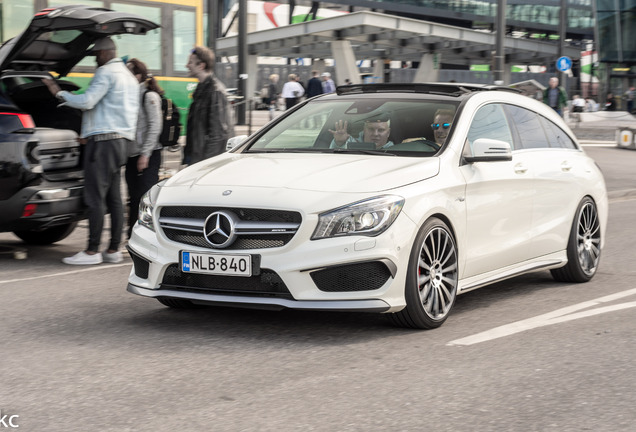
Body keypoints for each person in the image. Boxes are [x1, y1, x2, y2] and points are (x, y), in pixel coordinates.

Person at [42, 37, 138, 265]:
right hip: (120, 143)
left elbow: (87, 101)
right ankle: (113, 249)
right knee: (115, 199)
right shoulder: (129, 77)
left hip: (103, 144)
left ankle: (92, 251)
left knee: (95, 197)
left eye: (96, 55)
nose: (96, 59)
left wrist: (57, 92)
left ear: (105, 52)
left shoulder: (106, 72)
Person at [125, 58, 163, 239]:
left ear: (138, 75)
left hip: (148, 154)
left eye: (129, 72)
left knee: (144, 198)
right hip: (133, 154)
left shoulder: (149, 96)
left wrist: (145, 154)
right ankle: (132, 236)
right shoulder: (131, 95)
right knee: (133, 198)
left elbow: (155, 126)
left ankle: (147, 236)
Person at [183, 46, 234, 165]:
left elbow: (218, 135)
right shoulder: (202, 90)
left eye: (190, 62)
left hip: (204, 161)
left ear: (201, 66)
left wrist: (205, 166)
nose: (187, 65)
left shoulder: (214, 91)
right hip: (197, 158)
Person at [328, 115, 393, 149]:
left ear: (388, 133)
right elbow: (334, 158)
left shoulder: (397, 150)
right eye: (371, 129)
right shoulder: (350, 143)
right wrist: (340, 143)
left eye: (381, 130)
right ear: (364, 130)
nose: (375, 134)